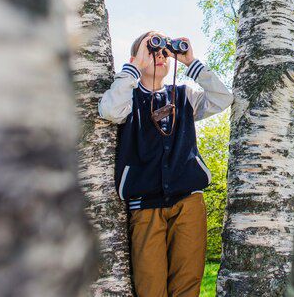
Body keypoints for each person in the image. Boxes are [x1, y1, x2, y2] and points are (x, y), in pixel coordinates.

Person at [98, 30, 234, 297]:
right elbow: (110, 110)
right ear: (136, 57)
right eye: (151, 50)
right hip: (145, 207)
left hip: (189, 203)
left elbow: (222, 98)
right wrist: (135, 66)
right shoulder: (127, 98)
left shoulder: (184, 96)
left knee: (187, 286)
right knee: (151, 289)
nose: (159, 55)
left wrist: (190, 63)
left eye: (164, 52)